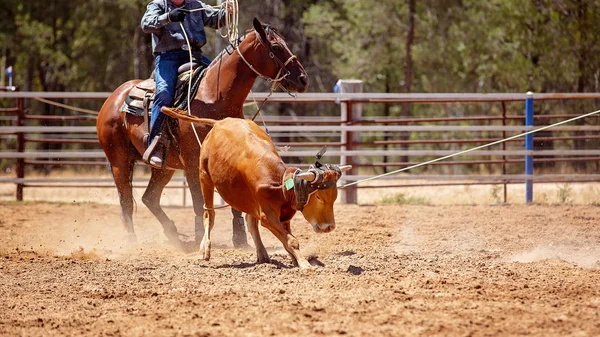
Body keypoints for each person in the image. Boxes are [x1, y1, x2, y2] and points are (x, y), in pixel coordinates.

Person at [141, 0, 233, 167]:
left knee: (221, 80)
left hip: (195, 55)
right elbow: (146, 24)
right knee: (164, 92)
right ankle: (155, 144)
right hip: (168, 57)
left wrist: (228, 11)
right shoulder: (158, 4)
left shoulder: (195, 4)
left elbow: (217, 19)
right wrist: (168, 17)